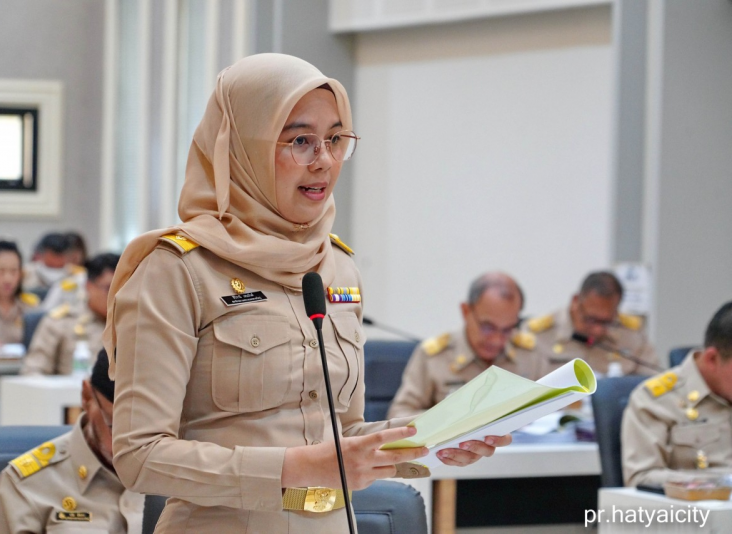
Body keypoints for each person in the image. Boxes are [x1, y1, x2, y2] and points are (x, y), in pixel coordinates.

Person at [105, 54, 510, 533]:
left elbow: (343, 432)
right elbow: (139, 455)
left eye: (335, 139)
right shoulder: (177, 269)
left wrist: (435, 437)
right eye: (300, 140)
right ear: (243, 149)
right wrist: (291, 469)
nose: (324, 161)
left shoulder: (336, 265)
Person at [0, 349, 145, 533]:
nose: (132, 444)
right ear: (87, 397)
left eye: (148, 430)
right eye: (115, 427)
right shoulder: (29, 485)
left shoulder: (171, 471)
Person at [388, 272, 536, 419]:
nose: (496, 340)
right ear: (466, 311)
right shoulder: (434, 357)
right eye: (487, 327)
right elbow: (398, 415)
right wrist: (445, 418)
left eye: (507, 329)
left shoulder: (530, 354)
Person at [622, 301, 732, 487]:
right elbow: (640, 478)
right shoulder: (655, 401)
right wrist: (714, 483)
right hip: (697, 503)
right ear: (712, 359)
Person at [515, 271, 660, 377]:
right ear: (575, 302)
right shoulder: (537, 334)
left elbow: (652, 382)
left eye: (606, 322)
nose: (598, 330)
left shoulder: (632, 334)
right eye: (591, 320)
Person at [22, 253, 119, 375]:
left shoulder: (132, 323)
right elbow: (32, 371)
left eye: (121, 289)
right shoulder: (61, 322)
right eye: (108, 288)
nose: (116, 296)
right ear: (89, 286)